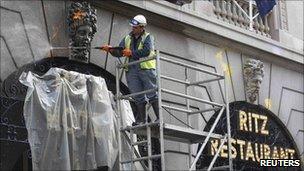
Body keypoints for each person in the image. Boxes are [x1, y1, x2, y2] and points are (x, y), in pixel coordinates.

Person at [101, 14, 159, 125]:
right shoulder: (128, 38)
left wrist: (132, 53)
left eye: (135, 27)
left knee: (152, 93)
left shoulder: (148, 37)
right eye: (132, 26)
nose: (133, 28)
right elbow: (120, 51)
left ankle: (159, 118)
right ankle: (141, 120)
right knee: (137, 95)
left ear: (142, 27)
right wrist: (110, 50)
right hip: (132, 70)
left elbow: (146, 51)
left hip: (145, 69)